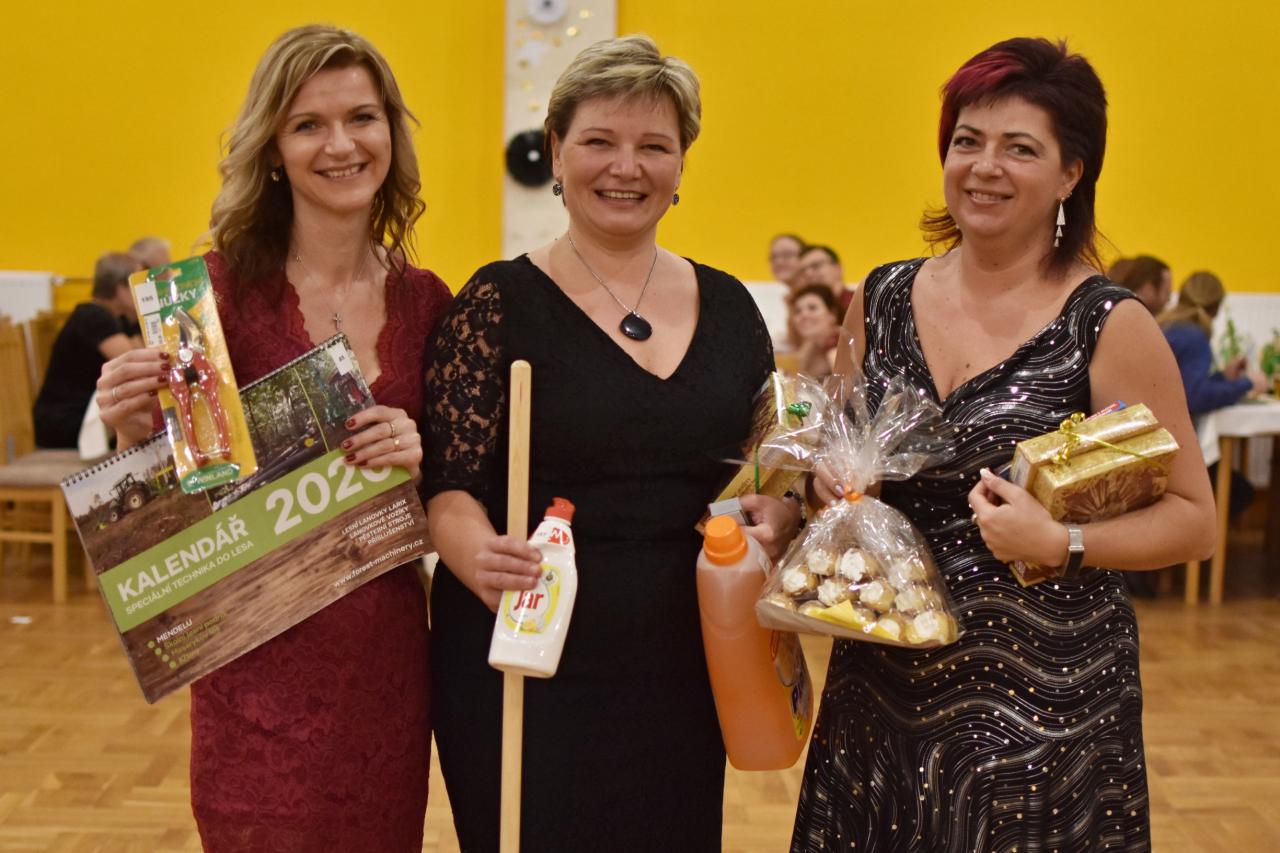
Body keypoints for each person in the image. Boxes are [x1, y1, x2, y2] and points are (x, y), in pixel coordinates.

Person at [795, 37, 1215, 852]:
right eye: (967, 140)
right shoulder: (880, 297)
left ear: (1070, 174)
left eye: (1020, 147)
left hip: (1044, 707)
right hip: (882, 684)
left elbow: (1195, 519)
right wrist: (828, 485)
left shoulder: (1107, 324)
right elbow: (834, 450)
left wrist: (1063, 541)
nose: (984, 167)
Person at [423, 35, 800, 852]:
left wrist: (779, 512)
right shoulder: (496, 302)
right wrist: (476, 554)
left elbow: (766, 471)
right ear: (556, 151)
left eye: (654, 146)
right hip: (527, 651)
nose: (626, 167)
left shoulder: (731, 307)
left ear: (681, 164)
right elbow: (447, 485)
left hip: (686, 658)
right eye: (599, 140)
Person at [95, 25, 450, 851]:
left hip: (386, 670)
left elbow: (459, 499)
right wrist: (132, 429)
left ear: (391, 133)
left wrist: (420, 461)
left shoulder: (431, 302)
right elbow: (166, 521)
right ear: (275, 150)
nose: (340, 145)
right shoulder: (209, 299)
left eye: (361, 118)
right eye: (308, 124)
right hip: (251, 674)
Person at [1159, 270, 1266, 517]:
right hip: (1175, 448)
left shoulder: (1169, 325)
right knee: (1241, 492)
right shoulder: (1195, 335)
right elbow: (1196, 397)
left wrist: (1223, 377)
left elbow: (1184, 386)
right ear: (1216, 308)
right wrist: (1246, 383)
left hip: (1157, 435)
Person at [31, 251, 141, 448]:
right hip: (65, 420)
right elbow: (135, 362)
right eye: (138, 284)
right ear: (121, 289)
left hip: (74, 415)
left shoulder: (113, 318)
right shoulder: (93, 317)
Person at [790, 282, 840, 379]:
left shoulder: (838, 346)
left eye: (812, 308)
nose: (804, 315)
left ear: (832, 314)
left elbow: (848, 386)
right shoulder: (811, 345)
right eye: (798, 311)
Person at [797, 243, 855, 312]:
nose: (808, 274)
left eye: (816, 265)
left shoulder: (860, 302)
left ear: (838, 268)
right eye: (802, 271)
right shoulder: (802, 312)